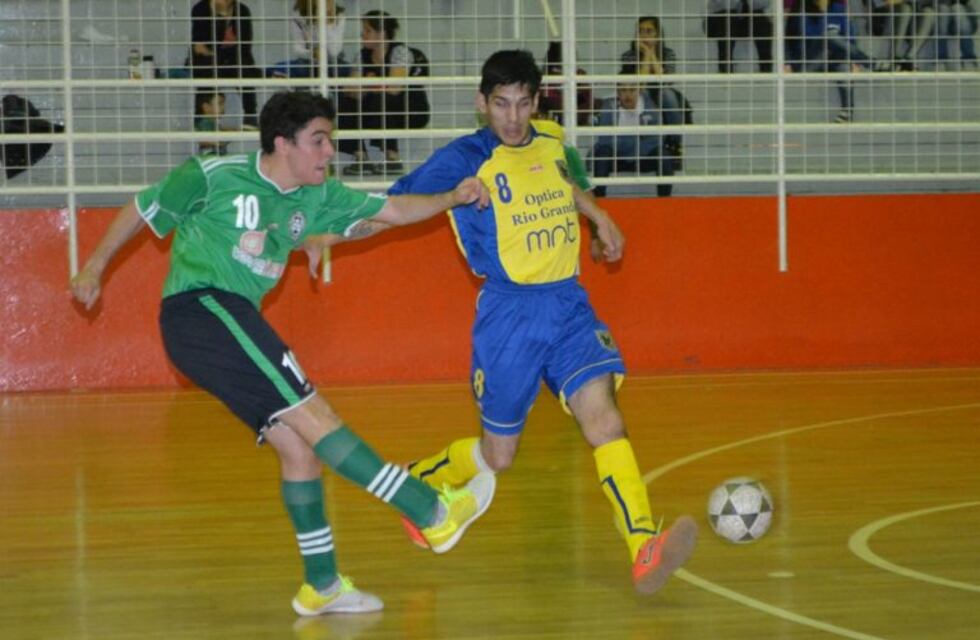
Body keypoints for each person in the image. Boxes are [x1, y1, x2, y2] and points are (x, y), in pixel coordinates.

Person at [69, 91, 495, 617]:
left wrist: (451, 197)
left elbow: (393, 210)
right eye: (319, 140)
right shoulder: (214, 175)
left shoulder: (317, 195)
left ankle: (322, 584)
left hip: (225, 322)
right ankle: (430, 511)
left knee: (299, 448)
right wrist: (94, 266)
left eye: (330, 140)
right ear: (282, 143)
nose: (329, 151)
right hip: (202, 310)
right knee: (317, 416)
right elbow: (142, 208)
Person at [385, 49, 698, 596]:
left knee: (604, 420)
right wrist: (446, 199)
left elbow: (563, 182)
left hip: (569, 305)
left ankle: (643, 546)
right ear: (482, 103)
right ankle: (420, 480)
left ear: (536, 102)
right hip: (509, 316)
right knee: (498, 457)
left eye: (523, 103)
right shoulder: (465, 156)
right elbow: (397, 201)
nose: (512, 117)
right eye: (501, 104)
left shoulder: (551, 141)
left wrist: (598, 217)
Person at [337, 10, 430, 177]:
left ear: (382, 34)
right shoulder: (362, 55)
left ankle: (392, 158)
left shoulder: (399, 52)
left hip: (410, 109)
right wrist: (371, 85)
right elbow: (350, 90)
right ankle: (361, 159)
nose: (362, 34)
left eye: (368, 30)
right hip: (376, 108)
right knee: (347, 102)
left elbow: (394, 89)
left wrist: (368, 83)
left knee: (381, 99)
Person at [790, 0, 875, 123]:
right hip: (810, 62)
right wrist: (787, 63)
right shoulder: (800, 8)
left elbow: (849, 36)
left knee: (843, 63)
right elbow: (796, 38)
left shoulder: (838, 8)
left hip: (833, 59)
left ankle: (847, 111)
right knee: (829, 36)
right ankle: (870, 63)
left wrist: (852, 60)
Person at [620, 17, 687, 172]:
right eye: (641, 31)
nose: (644, 35)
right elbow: (639, 85)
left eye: (649, 31)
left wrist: (651, 54)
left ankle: (674, 145)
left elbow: (664, 81)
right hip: (638, 95)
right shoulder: (628, 55)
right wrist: (646, 56)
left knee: (667, 94)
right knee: (642, 94)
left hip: (661, 94)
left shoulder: (668, 53)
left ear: (658, 34)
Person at [590, 74, 671, 198]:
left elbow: (657, 139)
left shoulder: (650, 107)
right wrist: (636, 141)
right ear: (617, 92)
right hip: (617, 158)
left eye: (632, 90)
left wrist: (626, 143)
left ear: (639, 91)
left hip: (642, 157)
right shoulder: (608, 106)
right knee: (602, 153)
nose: (628, 95)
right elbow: (604, 140)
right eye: (623, 90)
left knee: (663, 154)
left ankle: (665, 202)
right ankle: (598, 201)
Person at [189, 0, 264, 128]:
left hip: (234, 59)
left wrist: (220, 51)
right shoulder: (201, 9)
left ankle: (250, 116)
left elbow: (244, 47)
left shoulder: (242, 11)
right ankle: (200, 119)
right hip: (209, 61)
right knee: (206, 71)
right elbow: (200, 47)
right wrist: (220, 18)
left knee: (245, 69)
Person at [268, 0, 348, 79]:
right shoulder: (298, 15)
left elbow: (334, 52)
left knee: (347, 69)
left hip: (333, 63)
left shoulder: (339, 16)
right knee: (279, 68)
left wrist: (328, 23)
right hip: (308, 62)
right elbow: (298, 48)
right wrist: (312, 53)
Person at [704, 0, 775, 72]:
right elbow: (724, 4)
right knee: (728, 17)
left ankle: (766, 68)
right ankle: (725, 69)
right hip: (717, 21)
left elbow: (765, 3)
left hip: (742, 21)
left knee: (761, 18)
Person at [537, 41, 596, 126]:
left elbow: (583, 111)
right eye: (557, 68)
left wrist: (579, 89)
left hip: (578, 125)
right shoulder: (544, 81)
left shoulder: (579, 77)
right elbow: (551, 107)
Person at [937, 0, 979, 69]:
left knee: (957, 8)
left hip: (964, 20)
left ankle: (968, 58)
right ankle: (941, 60)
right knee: (943, 9)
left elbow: (970, 6)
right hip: (947, 22)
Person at [194, 89, 233, 156]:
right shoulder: (205, 123)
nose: (223, 107)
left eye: (223, 104)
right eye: (220, 104)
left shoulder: (212, 122)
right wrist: (222, 141)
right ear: (206, 107)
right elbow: (204, 139)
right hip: (209, 156)